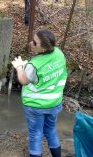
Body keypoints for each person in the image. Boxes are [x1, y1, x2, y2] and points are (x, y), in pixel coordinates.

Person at [12, 29, 67, 157]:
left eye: (35, 43)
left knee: (36, 135)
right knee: (51, 130)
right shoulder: (59, 54)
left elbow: (23, 80)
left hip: (35, 106)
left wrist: (19, 66)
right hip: (54, 103)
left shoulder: (34, 64)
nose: (31, 43)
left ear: (43, 49)